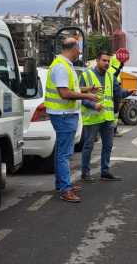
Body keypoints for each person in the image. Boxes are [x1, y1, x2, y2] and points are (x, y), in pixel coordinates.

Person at [44, 38, 98, 203]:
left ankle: (62, 185)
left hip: (64, 114)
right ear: (73, 48)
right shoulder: (61, 67)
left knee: (61, 152)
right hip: (64, 114)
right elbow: (64, 94)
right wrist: (87, 95)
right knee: (65, 154)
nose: (80, 52)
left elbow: (70, 89)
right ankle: (65, 189)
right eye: (79, 49)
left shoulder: (63, 64)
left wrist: (85, 89)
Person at [80, 51, 133, 182]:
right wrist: (93, 106)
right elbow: (79, 95)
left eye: (108, 61)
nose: (107, 63)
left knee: (108, 145)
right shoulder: (86, 75)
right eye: (104, 60)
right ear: (97, 61)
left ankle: (105, 172)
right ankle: (85, 173)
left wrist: (128, 92)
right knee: (88, 145)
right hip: (92, 117)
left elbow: (118, 92)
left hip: (107, 118)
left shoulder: (110, 75)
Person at [108, 54, 124, 137]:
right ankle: (113, 131)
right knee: (114, 114)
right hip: (114, 96)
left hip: (113, 96)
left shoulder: (111, 69)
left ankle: (113, 130)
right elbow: (114, 79)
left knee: (114, 115)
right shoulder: (113, 70)